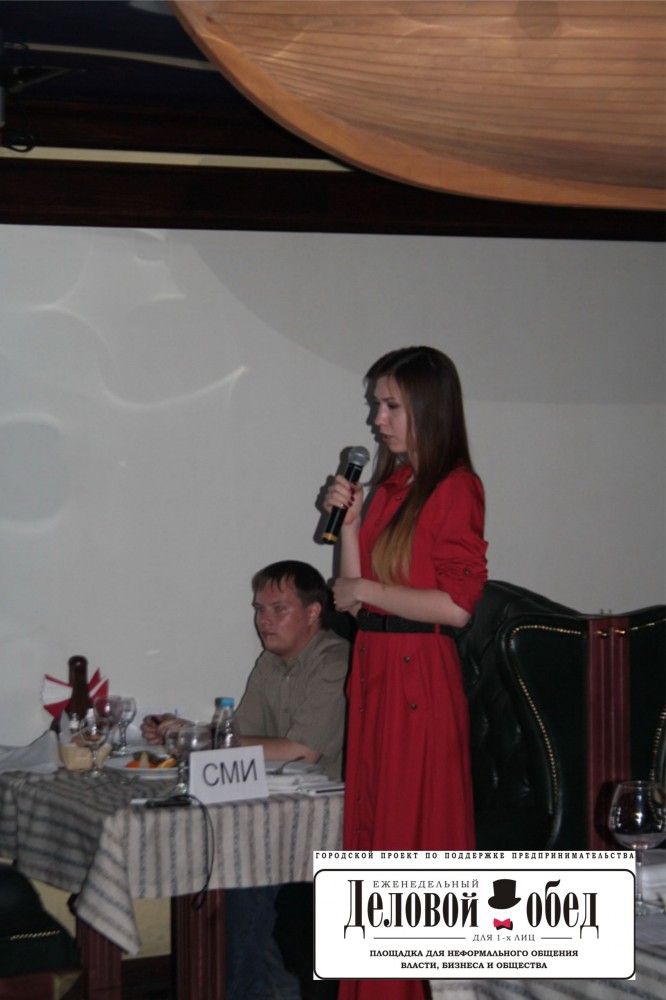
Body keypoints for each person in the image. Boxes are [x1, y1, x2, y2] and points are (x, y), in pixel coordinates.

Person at [323, 346, 487, 1000]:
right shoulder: (392, 486)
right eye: (376, 405)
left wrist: (366, 588)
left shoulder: (455, 487)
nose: (377, 419)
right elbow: (350, 595)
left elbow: (458, 606)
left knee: (411, 849)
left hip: (419, 679)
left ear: (427, 407)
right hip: (377, 672)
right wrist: (350, 525)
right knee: (372, 843)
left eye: (390, 405)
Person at [142, 559, 349, 1000]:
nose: (263, 620)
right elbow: (236, 738)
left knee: (241, 861)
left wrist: (200, 736)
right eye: (259, 609)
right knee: (213, 849)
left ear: (314, 612)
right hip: (280, 810)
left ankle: (234, 991)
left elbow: (302, 750)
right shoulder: (270, 661)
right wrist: (188, 732)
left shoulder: (336, 660)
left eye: (278, 609)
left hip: (333, 822)